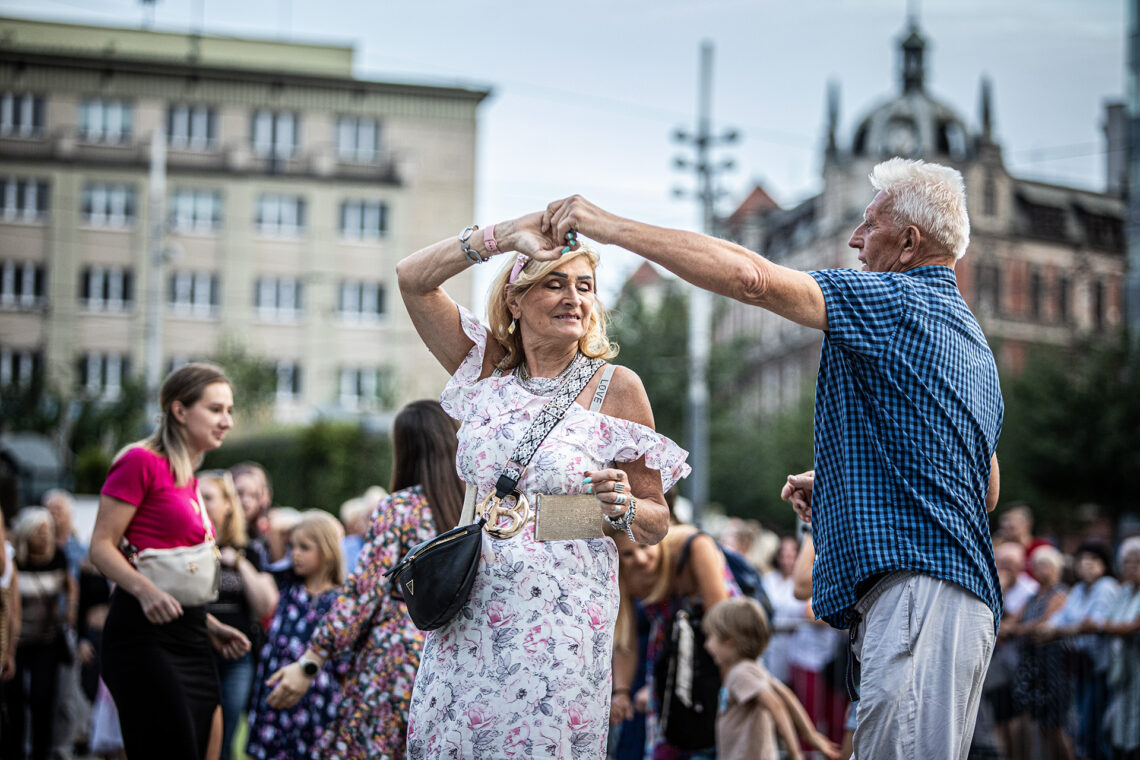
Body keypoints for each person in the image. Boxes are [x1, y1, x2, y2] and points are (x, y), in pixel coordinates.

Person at [539, 158, 1003, 759]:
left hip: (919, 597)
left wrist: (609, 226)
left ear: (910, 242)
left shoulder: (896, 302)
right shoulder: (972, 342)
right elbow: (982, 489)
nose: (855, 240)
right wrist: (847, 484)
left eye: (869, 225)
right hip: (952, 600)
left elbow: (752, 280)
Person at [396, 219, 688, 759]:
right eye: (554, 283)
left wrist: (620, 507)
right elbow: (412, 278)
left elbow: (656, 520)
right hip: (470, 607)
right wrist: (506, 238)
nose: (573, 298)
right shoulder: (483, 370)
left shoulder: (616, 388)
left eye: (583, 286)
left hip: (562, 619)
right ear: (515, 298)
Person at [264, 400, 464, 760]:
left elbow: (362, 592)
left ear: (405, 448)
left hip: (395, 659)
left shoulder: (400, 508)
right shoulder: (474, 509)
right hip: (459, 658)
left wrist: (311, 660)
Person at [89, 362, 251, 760]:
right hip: (145, 638)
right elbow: (101, 546)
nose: (226, 421)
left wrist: (208, 623)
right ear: (179, 410)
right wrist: (144, 592)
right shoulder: (140, 461)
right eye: (215, 410)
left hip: (193, 635)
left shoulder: (191, 478)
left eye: (229, 410)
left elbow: (173, 569)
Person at [611, 525, 736, 758]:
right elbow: (624, 638)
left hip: (721, 653)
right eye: (627, 554)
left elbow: (723, 627)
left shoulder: (694, 547)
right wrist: (622, 692)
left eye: (644, 546)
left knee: (720, 739)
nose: (639, 558)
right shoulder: (624, 573)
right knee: (666, 742)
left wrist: (727, 690)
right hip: (669, 657)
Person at [246, 511, 347, 760]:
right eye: (293, 547)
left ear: (326, 550)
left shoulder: (341, 600)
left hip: (317, 695)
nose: (295, 554)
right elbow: (278, 526)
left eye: (305, 547)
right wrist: (306, 526)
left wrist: (328, 529)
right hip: (278, 687)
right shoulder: (288, 585)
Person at [199, 469, 279, 760]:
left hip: (237, 655)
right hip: (196, 649)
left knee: (227, 732)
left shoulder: (250, 549)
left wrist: (240, 563)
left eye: (208, 497)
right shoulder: (187, 547)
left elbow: (265, 604)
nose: (200, 502)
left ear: (226, 503)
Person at [702, 596, 839, 760]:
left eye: (710, 637)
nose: (706, 645)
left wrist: (795, 754)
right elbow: (785, 695)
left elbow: (776, 705)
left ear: (729, 640)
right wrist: (810, 735)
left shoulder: (741, 674)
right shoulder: (754, 667)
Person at [1, 507, 76, 760]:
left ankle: (41, 752)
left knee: (43, 698)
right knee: (14, 700)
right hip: (18, 641)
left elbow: (71, 586)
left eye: (47, 531)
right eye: (38, 531)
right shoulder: (13, 562)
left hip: (48, 640)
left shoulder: (59, 557)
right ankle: (15, 751)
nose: (44, 537)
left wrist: (70, 612)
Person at [1038, 541, 1119, 760]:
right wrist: (1048, 628)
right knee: (1082, 725)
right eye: (1083, 560)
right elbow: (1061, 619)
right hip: (1081, 665)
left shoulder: (1107, 586)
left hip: (1102, 667)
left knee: (1095, 727)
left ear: (1104, 564)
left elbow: (1092, 624)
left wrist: (1057, 631)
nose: (1087, 565)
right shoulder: (1079, 589)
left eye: (1093, 560)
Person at [1005, 546, 1072, 760]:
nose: (1041, 570)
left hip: (1053, 664)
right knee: (1040, 722)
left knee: (1055, 723)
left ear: (1057, 569)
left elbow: (1043, 623)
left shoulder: (1059, 593)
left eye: (1047, 565)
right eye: (1038, 566)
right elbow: (1013, 620)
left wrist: (1017, 630)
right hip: (1033, 662)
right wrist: (1010, 627)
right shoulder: (1034, 595)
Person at [43, 488, 89, 760]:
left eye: (58, 510)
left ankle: (65, 746)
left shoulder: (80, 551)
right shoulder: (34, 549)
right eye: (48, 510)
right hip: (41, 627)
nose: (52, 516)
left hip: (69, 627)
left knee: (68, 692)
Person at [1097, 536, 1140, 758]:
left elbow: (1131, 626)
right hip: (1123, 666)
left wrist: (1103, 627)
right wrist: (1107, 626)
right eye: (1127, 562)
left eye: (1137, 562)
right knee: (1121, 717)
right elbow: (1110, 620)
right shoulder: (1123, 591)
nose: (1131, 567)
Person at [759, 535, 804, 685]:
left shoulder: (801, 584)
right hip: (770, 641)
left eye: (792, 556)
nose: (787, 561)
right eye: (784, 556)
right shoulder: (769, 579)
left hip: (794, 645)